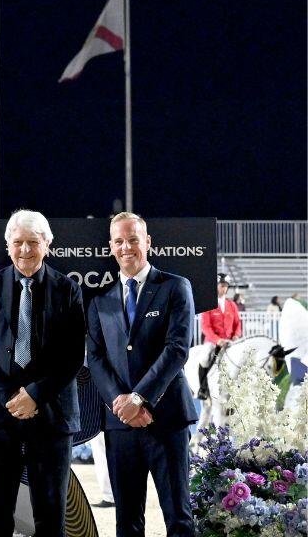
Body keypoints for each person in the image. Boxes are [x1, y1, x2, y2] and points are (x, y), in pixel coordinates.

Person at [0, 210, 85, 537]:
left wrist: (35, 395)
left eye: (33, 243)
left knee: (51, 513)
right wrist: (11, 398)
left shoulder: (68, 290)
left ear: (47, 244)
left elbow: (73, 355)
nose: (25, 250)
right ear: (7, 246)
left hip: (51, 414)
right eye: (17, 243)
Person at [85, 212, 196, 536]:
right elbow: (96, 358)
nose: (126, 247)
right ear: (110, 247)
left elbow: (177, 349)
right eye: (119, 241)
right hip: (120, 426)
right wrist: (122, 403)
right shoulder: (99, 302)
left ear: (147, 242)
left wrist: (140, 398)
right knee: (127, 521)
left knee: (178, 516)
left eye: (133, 239)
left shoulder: (176, 287)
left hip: (167, 420)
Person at [197, 275, 242, 400]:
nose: (225, 289)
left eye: (226, 286)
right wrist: (217, 340)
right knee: (205, 358)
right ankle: (203, 388)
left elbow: (238, 323)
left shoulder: (232, 305)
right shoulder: (208, 304)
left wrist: (236, 335)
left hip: (230, 341)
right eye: (222, 286)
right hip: (213, 341)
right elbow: (206, 327)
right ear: (216, 286)